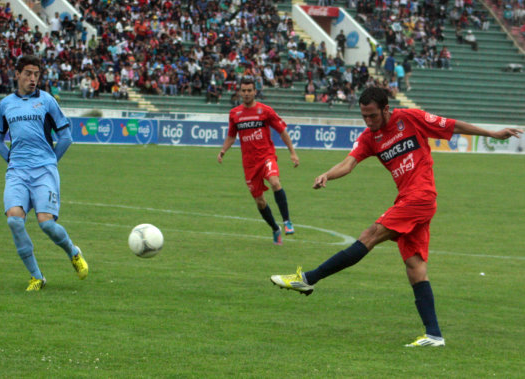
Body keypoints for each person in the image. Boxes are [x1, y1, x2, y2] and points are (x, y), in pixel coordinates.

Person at [270, 87, 522, 346]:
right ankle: (434, 335)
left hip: (420, 197)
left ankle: (308, 279)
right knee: (415, 268)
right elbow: (349, 162)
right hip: (408, 200)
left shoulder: (410, 119)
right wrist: (327, 174)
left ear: (386, 109)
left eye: (373, 116)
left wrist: (491, 133)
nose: (369, 121)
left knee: (369, 235)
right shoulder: (370, 137)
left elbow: (452, 126)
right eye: (364, 116)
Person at [0, 55, 89, 291]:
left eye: (36, 74)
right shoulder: (5, 104)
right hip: (17, 172)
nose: (33, 78)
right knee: (15, 221)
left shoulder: (47, 101)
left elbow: (66, 137)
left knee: (46, 224)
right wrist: (11, 159)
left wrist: (50, 163)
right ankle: (37, 277)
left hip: (44, 171)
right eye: (28, 73)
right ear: (17, 75)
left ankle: (73, 252)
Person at [217, 77, 299, 245]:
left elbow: (282, 131)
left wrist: (292, 152)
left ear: (255, 91)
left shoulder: (265, 111)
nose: (246, 94)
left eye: (249, 90)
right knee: (260, 202)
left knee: (275, 182)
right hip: (249, 164)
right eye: (243, 90)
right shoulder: (235, 114)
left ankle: (287, 222)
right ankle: (275, 228)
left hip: (266, 156)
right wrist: (223, 150)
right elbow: (232, 136)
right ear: (240, 92)